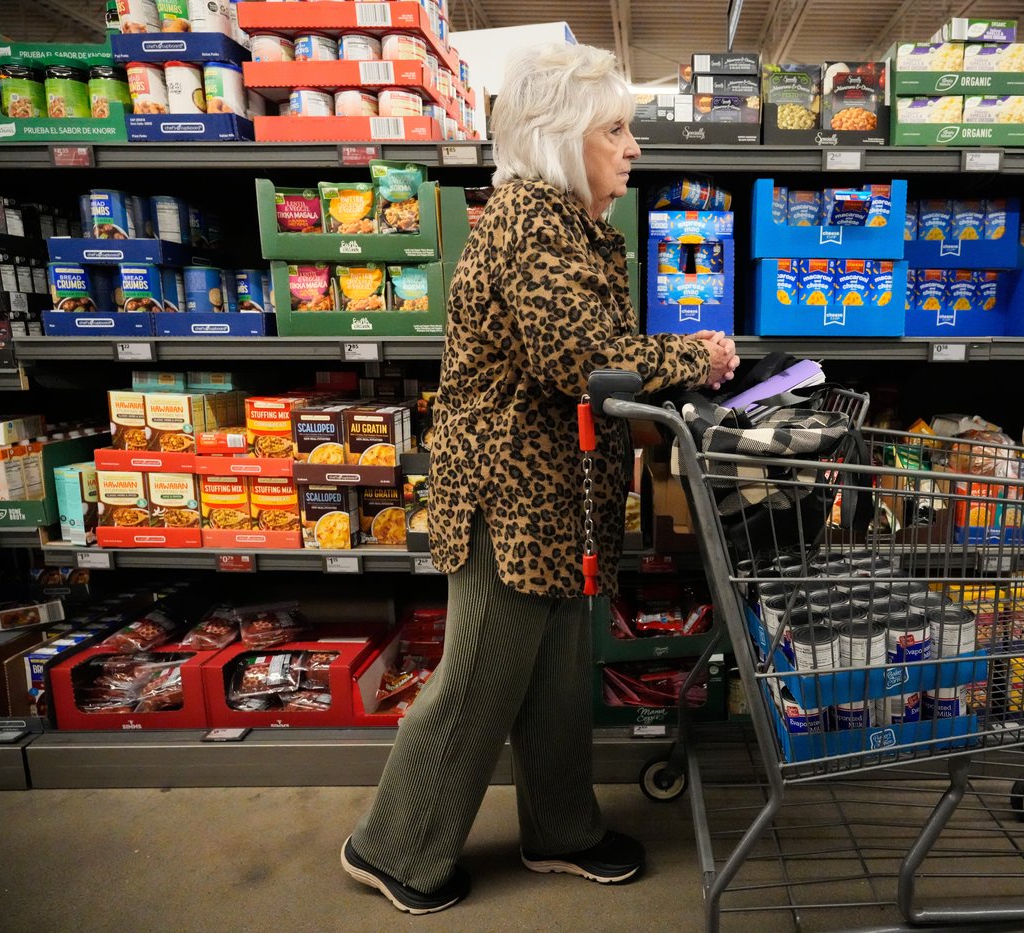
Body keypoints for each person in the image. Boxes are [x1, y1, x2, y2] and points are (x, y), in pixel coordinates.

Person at [340, 42, 740, 915]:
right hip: (508, 499)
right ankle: (394, 845)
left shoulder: (567, 223)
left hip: (558, 499)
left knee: (557, 675)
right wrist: (693, 354)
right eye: (616, 129)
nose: (634, 147)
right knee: (479, 681)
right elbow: (579, 357)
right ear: (562, 137)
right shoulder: (529, 221)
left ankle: (559, 828)